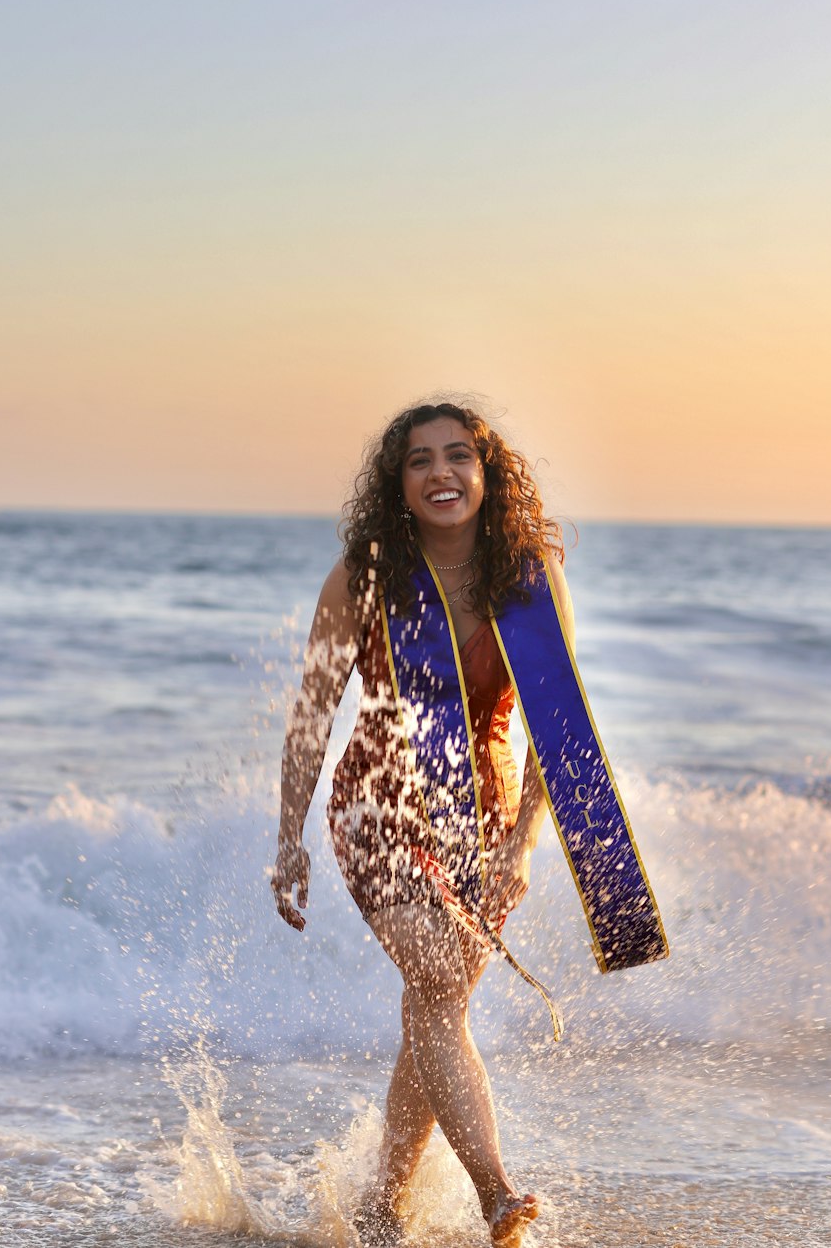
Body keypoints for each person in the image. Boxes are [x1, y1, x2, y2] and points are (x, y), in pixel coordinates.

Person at [270, 400, 572, 1247]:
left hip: (484, 812)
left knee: (433, 1008)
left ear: (487, 474)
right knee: (440, 988)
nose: (441, 472)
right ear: (396, 486)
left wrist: (521, 845)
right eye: (418, 460)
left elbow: (560, 722)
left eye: (458, 456)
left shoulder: (527, 575)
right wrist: (289, 836)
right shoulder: (364, 577)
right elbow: (312, 713)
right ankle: (497, 1194)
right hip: (378, 804)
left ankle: (379, 1208)